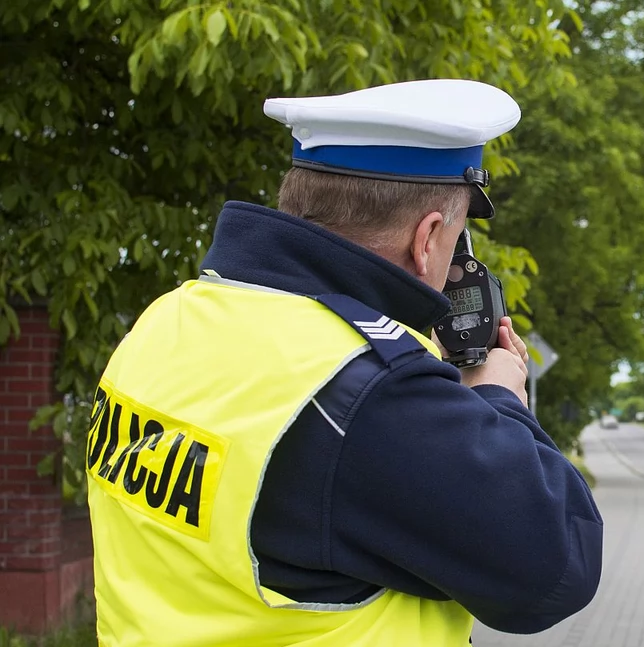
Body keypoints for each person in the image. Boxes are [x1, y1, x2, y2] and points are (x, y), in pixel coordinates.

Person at [85, 79, 603, 647]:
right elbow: (555, 569)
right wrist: (498, 399)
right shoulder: (369, 391)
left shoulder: (169, 318)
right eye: (458, 239)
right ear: (429, 238)